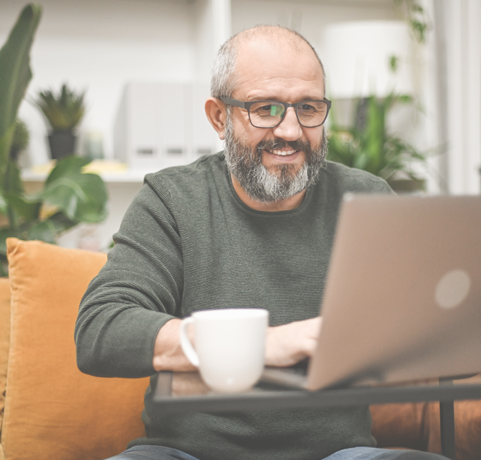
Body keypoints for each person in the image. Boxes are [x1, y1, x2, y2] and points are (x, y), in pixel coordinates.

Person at [75, 25, 448, 460]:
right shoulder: (171, 199)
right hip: (184, 454)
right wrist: (262, 345)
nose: (290, 131)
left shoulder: (366, 198)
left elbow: (431, 327)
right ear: (219, 117)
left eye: (308, 107)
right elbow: (101, 329)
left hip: (339, 454)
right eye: (265, 108)